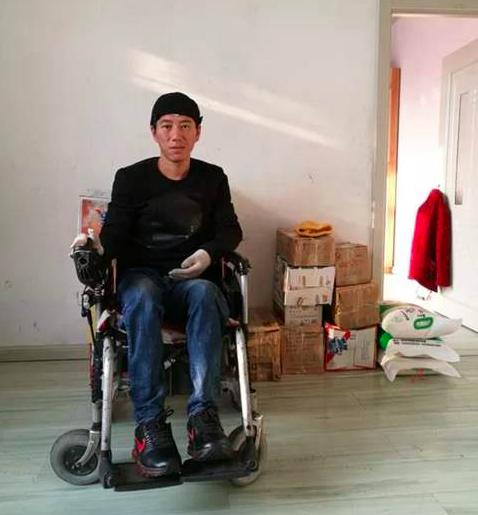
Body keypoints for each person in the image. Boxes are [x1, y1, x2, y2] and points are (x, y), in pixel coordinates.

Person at [94, 92, 243, 477]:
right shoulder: (131, 179)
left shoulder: (212, 178)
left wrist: (207, 255)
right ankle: (149, 425)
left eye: (185, 126)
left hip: (190, 281)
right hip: (141, 278)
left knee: (207, 293)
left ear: (198, 133)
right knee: (143, 295)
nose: (176, 135)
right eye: (167, 126)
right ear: (154, 132)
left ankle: (203, 420)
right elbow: (114, 235)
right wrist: (94, 250)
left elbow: (230, 230)